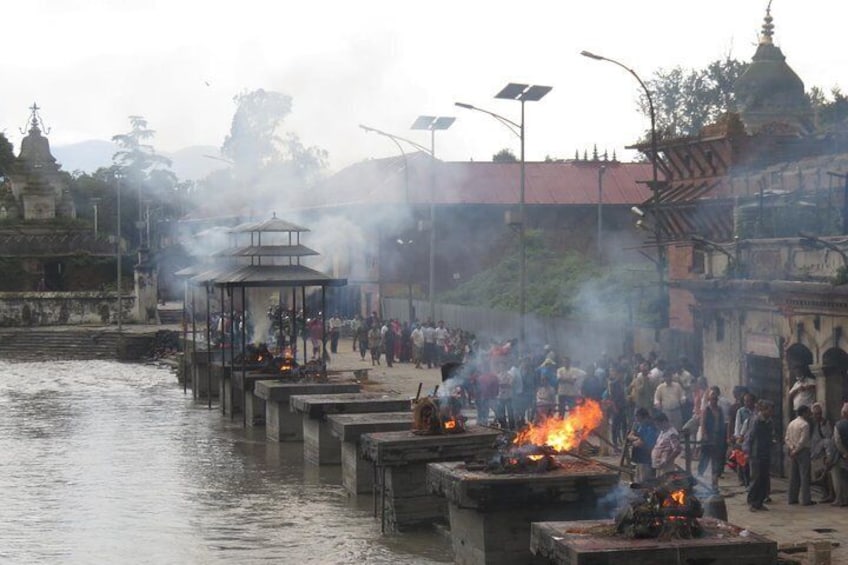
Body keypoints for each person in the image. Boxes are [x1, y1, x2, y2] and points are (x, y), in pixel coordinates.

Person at [745, 400, 775, 511]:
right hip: (756, 453)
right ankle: (752, 502)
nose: (771, 412)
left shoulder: (769, 421)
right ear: (764, 410)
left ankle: (759, 501)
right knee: (756, 478)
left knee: (764, 478)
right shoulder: (756, 420)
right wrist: (747, 452)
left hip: (765, 452)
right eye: (769, 410)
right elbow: (750, 436)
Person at [698, 388, 728, 489]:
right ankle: (699, 477)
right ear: (709, 400)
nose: (714, 401)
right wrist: (705, 435)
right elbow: (703, 423)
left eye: (715, 399)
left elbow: (722, 422)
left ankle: (714, 483)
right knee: (705, 459)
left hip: (718, 438)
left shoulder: (719, 409)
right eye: (712, 399)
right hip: (708, 438)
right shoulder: (706, 410)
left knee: (716, 461)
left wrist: (724, 436)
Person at [785, 404, 814, 506]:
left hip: (793, 451)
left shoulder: (791, 423)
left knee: (793, 476)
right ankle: (806, 499)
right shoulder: (805, 425)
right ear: (804, 413)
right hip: (802, 451)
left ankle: (792, 498)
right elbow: (803, 440)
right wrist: (796, 450)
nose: (810, 414)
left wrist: (792, 448)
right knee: (804, 476)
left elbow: (787, 438)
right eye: (808, 412)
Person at [810, 402, 835, 503]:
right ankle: (824, 494)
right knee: (818, 473)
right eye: (816, 414)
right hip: (816, 453)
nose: (818, 416)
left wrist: (828, 455)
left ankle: (830, 494)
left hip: (826, 452)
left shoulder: (826, 423)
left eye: (819, 413)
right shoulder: (812, 424)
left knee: (827, 474)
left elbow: (829, 439)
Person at [628, 407, 659, 484]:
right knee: (638, 479)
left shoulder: (650, 426)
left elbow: (648, 444)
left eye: (636, 416)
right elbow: (630, 436)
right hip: (639, 458)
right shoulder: (638, 424)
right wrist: (637, 439)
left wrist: (638, 442)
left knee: (644, 481)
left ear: (642, 416)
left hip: (646, 458)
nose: (635, 418)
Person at [829, 402, 848, 506]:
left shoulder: (839, 425)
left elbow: (837, 441)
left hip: (840, 456)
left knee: (839, 478)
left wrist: (845, 453)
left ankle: (840, 499)